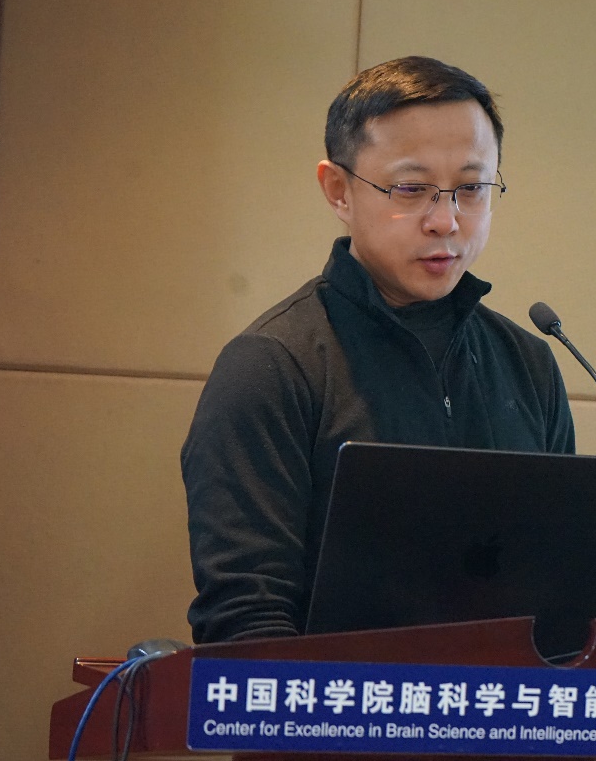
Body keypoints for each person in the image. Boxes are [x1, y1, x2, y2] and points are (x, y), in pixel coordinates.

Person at [181, 56, 575, 644]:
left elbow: (562, 600)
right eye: (411, 189)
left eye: (472, 188)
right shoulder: (271, 365)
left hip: (498, 703)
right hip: (333, 703)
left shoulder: (528, 365)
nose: (446, 221)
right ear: (338, 191)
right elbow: (245, 619)